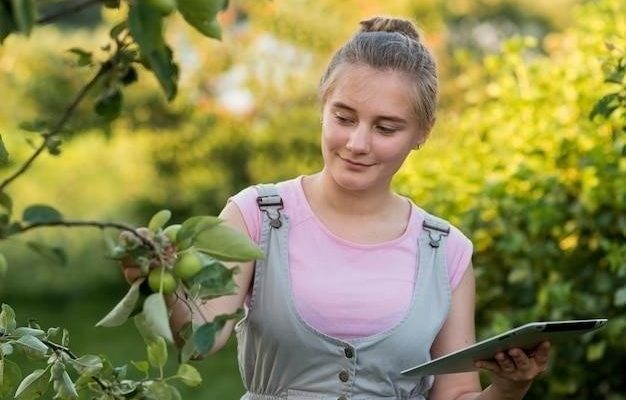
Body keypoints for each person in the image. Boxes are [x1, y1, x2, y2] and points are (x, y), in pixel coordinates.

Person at [124, 16, 550, 399]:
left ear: (423, 131)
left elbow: (455, 394)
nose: (357, 144)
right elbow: (200, 335)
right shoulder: (257, 215)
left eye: (386, 128)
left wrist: (511, 387)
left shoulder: (446, 251)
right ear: (322, 106)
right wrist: (153, 280)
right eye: (344, 118)